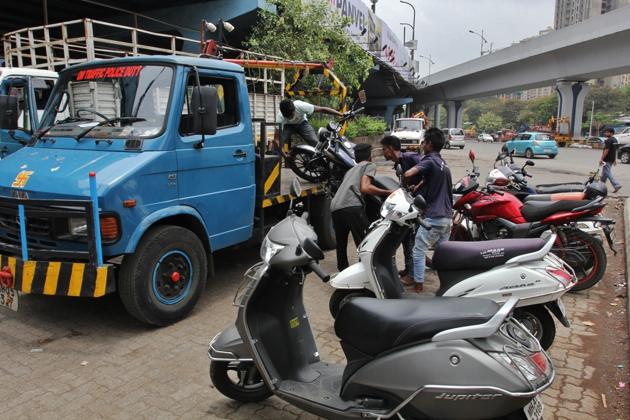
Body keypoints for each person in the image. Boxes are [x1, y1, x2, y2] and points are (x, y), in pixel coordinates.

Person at [402, 128, 453, 293]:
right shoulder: (443, 165)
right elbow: (428, 183)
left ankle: (418, 287)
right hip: (447, 218)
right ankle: (447, 285)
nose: (422, 145)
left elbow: (410, 172)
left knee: (417, 251)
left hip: (433, 216)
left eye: (423, 142)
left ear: (430, 144)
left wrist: (404, 178)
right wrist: (415, 187)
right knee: (443, 255)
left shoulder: (429, 160)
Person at [331, 143, 394, 271]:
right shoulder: (369, 165)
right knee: (365, 241)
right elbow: (365, 187)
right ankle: (365, 272)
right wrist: (389, 192)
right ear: (370, 157)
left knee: (341, 244)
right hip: (351, 205)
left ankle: (342, 272)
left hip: (335, 207)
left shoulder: (350, 170)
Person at [380, 135, 422, 284]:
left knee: (411, 239)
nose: (383, 152)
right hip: (410, 205)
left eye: (384, 149)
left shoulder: (410, 157)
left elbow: (428, 170)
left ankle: (412, 275)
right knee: (406, 238)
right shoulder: (399, 163)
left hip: (419, 204)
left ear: (391, 148)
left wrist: (417, 188)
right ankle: (408, 269)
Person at [273, 98, 343, 154]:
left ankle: (321, 161)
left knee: (315, 142)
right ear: (283, 114)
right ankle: (274, 165)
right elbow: (276, 139)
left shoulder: (300, 106)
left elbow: (322, 109)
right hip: (287, 126)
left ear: (294, 108)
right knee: (277, 146)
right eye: (288, 117)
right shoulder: (280, 118)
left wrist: (341, 114)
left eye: (292, 115)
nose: (291, 117)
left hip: (302, 123)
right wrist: (285, 156)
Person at [600, 127, 622, 193]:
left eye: (607, 132)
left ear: (611, 133)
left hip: (607, 159)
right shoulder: (615, 140)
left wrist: (601, 158)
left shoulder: (609, 140)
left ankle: (617, 184)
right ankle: (601, 186)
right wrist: (614, 159)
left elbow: (607, 150)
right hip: (611, 159)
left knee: (607, 172)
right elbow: (615, 150)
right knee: (604, 173)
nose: (605, 133)